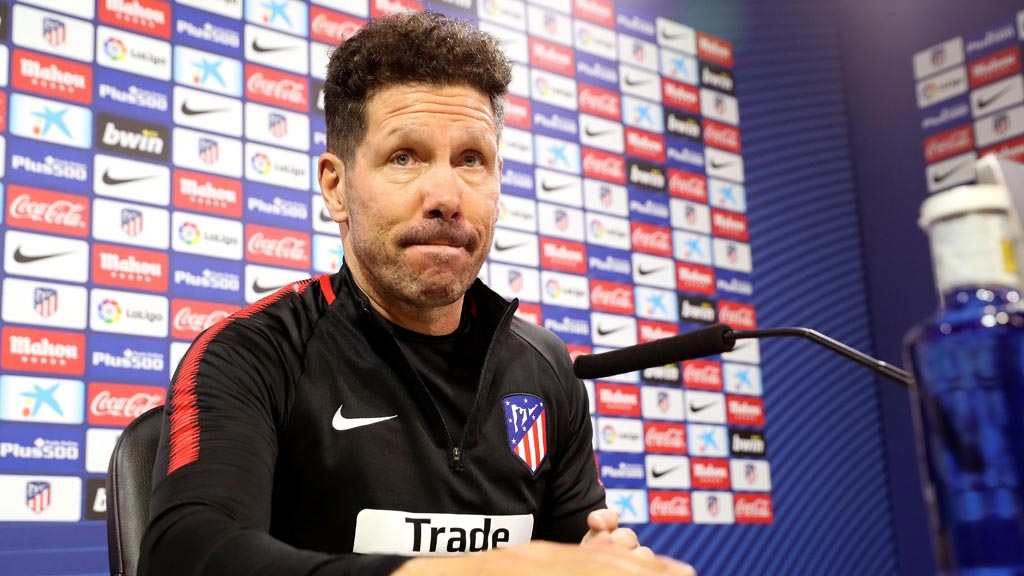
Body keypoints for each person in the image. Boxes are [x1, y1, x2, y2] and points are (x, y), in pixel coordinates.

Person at [139, 11, 694, 576]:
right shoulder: (251, 352)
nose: (446, 196)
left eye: (471, 160)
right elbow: (186, 554)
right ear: (336, 187)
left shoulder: (546, 367)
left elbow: (574, 551)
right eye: (404, 157)